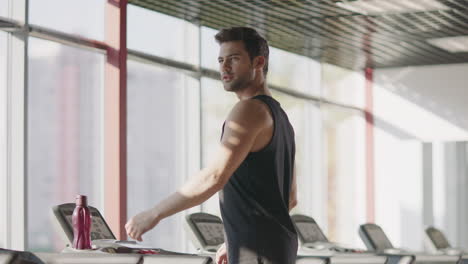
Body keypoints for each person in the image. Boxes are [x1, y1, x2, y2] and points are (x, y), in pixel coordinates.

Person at [125, 27, 298, 264]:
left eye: (234, 59)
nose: (224, 68)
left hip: (258, 248)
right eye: (221, 60)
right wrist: (235, 240)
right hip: (273, 245)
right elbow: (290, 197)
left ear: (258, 62)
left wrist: (153, 214)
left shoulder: (249, 109)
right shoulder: (280, 117)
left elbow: (214, 176)